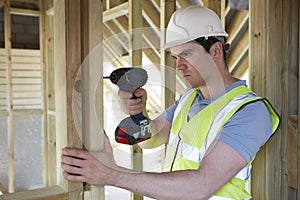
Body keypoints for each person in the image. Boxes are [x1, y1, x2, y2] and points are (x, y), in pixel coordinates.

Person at [61, 5, 280, 200]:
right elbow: (150, 139)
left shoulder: (249, 111)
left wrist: (112, 174)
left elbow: (201, 186)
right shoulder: (189, 98)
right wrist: (138, 112)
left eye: (187, 54)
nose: (179, 66)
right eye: (176, 57)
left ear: (215, 51)